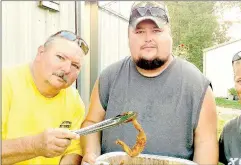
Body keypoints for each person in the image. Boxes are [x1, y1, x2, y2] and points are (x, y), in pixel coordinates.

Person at [81, 1, 218, 165]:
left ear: (170, 35)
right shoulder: (108, 77)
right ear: (129, 37)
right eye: (139, 31)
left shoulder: (197, 84)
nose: (148, 39)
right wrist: (90, 153)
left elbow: (206, 142)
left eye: (156, 31)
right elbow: (92, 123)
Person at [2, 30, 89, 165]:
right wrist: (35, 146)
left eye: (75, 65)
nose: (67, 69)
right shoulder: (5, 83)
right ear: (40, 53)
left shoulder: (74, 100)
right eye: (60, 57)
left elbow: (74, 150)